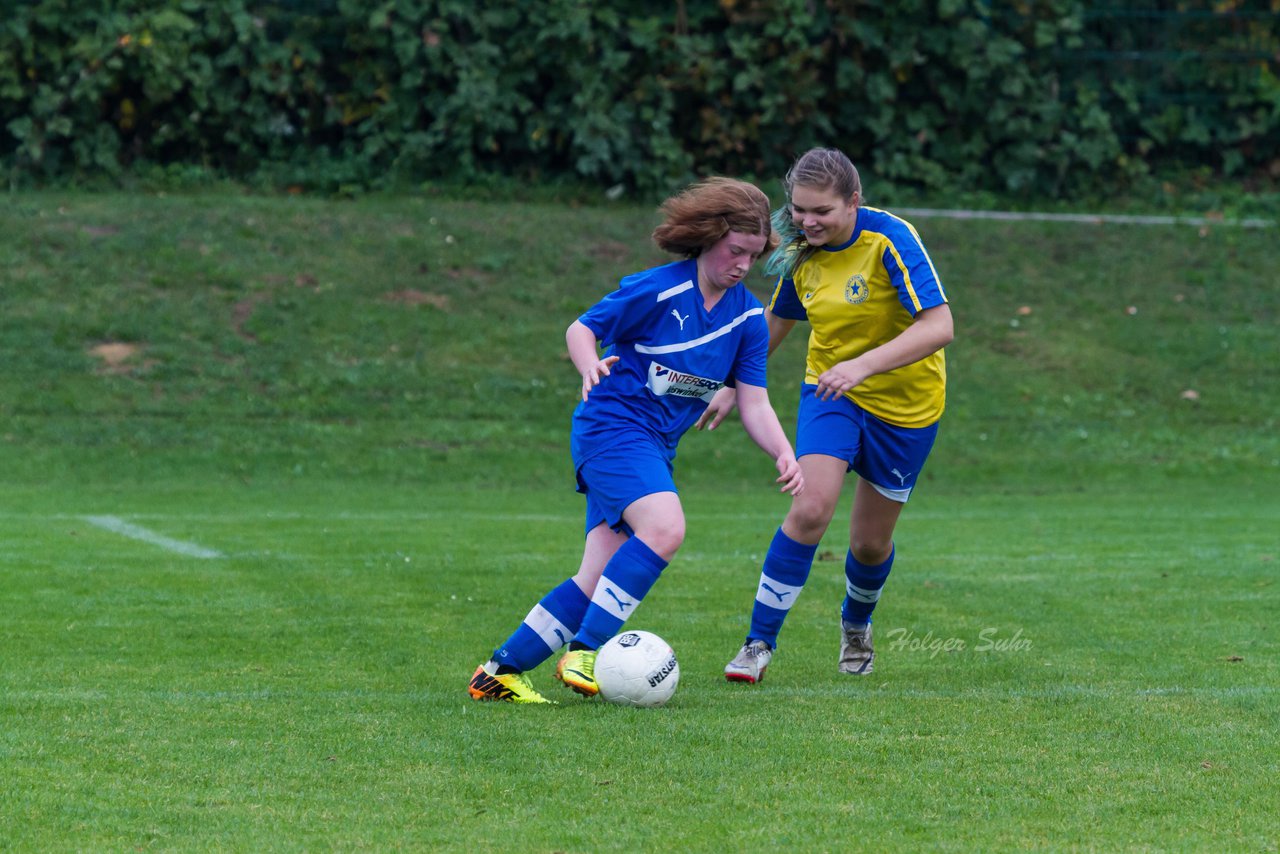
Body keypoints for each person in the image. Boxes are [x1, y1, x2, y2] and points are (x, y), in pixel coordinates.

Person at [468, 177, 805, 704]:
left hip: (653, 448)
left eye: (754, 254)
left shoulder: (746, 320)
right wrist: (588, 365)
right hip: (611, 429)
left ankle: (498, 674)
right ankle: (585, 650)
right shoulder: (657, 290)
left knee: (596, 576)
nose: (742, 264)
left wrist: (784, 451)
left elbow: (754, 401)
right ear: (708, 238)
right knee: (666, 527)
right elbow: (582, 329)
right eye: (734, 250)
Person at [696, 148, 953, 683]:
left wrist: (863, 365)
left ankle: (856, 624)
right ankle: (757, 644)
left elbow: (940, 325)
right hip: (831, 393)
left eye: (822, 212)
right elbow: (778, 321)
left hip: (908, 407)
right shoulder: (801, 255)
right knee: (811, 508)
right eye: (798, 211)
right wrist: (729, 385)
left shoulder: (890, 240)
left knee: (868, 543)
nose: (808, 222)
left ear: (853, 201)